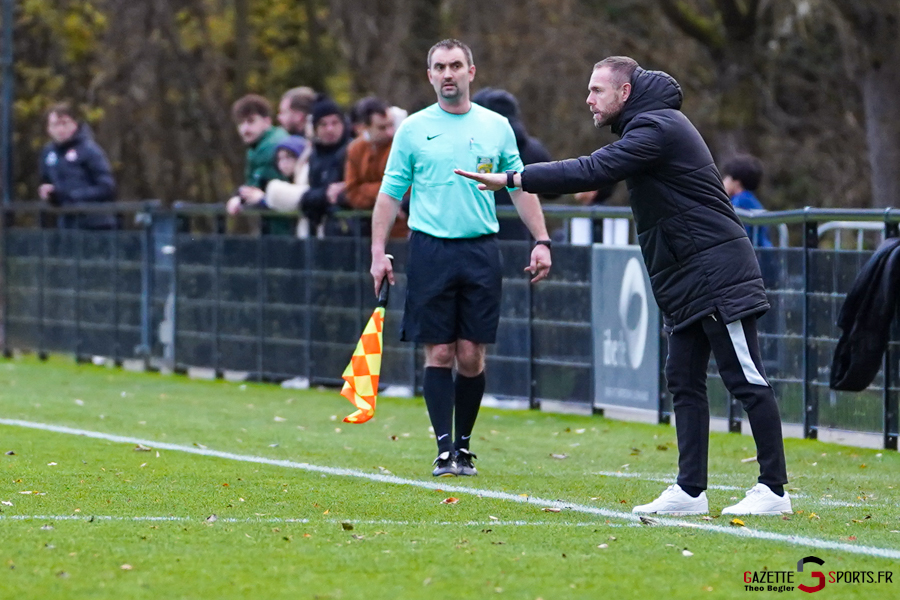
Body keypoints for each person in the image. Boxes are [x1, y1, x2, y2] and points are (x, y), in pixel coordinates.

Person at [457, 56, 790, 516]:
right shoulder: (646, 127)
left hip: (716, 272)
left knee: (745, 377)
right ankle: (690, 492)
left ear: (625, 93)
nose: (588, 99)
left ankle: (774, 489)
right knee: (683, 381)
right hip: (687, 277)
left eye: (596, 90)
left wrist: (514, 178)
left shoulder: (657, 128)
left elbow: (594, 169)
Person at [370, 39, 552, 478]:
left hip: (480, 251)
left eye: (455, 65)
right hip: (431, 249)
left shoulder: (496, 126)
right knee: (439, 352)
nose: (447, 73)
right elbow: (390, 192)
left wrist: (542, 239)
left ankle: (465, 447)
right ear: (429, 75)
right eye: (439, 67)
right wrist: (378, 253)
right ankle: (443, 448)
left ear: (471, 71)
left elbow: (519, 185)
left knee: (471, 355)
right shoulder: (413, 129)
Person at [471, 87, 559, 240]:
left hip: (481, 237)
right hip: (524, 238)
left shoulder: (474, 150)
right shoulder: (533, 150)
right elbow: (554, 191)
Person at [38, 102, 117, 229]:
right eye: (55, 125)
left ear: (74, 124)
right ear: (48, 129)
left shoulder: (90, 150)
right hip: (65, 224)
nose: (60, 129)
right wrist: (49, 192)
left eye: (64, 123)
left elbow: (106, 187)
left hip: (96, 224)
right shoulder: (48, 153)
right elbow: (45, 181)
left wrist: (72, 196)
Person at [343, 97, 408, 238]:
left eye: (391, 125)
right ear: (364, 127)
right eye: (382, 127)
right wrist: (385, 192)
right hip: (368, 232)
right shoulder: (355, 149)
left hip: (401, 232)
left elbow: (407, 187)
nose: (390, 132)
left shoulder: (401, 146)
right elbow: (352, 193)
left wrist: (365, 189)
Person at [226, 94, 289, 218]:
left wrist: (240, 198)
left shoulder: (271, 146)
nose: (245, 129)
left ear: (267, 121)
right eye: (241, 123)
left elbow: (256, 187)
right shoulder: (256, 147)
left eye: (251, 121)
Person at [299, 96, 351, 235]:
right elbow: (313, 195)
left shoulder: (352, 151)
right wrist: (324, 195)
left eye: (335, 123)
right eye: (323, 124)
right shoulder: (314, 156)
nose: (330, 129)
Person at [721, 154, 773, 247]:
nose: (723, 182)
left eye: (726, 178)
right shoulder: (752, 200)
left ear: (736, 182)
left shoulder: (739, 201)